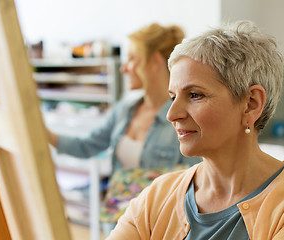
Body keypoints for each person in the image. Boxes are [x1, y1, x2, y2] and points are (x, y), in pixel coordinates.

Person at [107, 20, 284, 239]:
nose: (172, 114)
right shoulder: (157, 197)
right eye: (173, 97)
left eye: (194, 95)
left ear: (251, 104)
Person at [46, 23, 201, 172]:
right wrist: (44, 133)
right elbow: (87, 146)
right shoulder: (124, 110)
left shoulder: (182, 120)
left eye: (132, 58)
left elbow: (193, 181)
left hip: (158, 201)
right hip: (117, 200)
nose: (123, 68)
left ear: (155, 61)